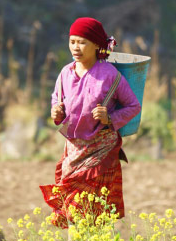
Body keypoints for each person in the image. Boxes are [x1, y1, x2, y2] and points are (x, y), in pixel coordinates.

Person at [40, 17, 141, 228]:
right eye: (72, 41)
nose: (76, 47)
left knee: (93, 214)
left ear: (97, 45)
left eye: (82, 42)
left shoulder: (110, 75)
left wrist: (110, 118)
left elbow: (133, 106)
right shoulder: (65, 73)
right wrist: (56, 112)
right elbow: (56, 99)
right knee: (75, 213)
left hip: (100, 154)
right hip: (73, 151)